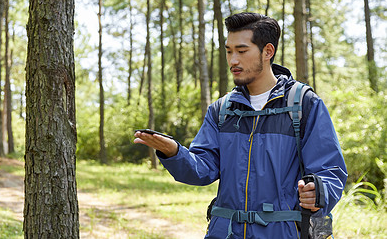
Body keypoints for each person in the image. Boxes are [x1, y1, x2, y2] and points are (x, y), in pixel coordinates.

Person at [134, 12, 347, 238]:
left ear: (267, 51)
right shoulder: (222, 109)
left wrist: (318, 193)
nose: (233, 60)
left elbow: (330, 170)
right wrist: (174, 153)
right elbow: (202, 170)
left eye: (242, 51)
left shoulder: (304, 104)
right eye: (229, 51)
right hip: (226, 233)